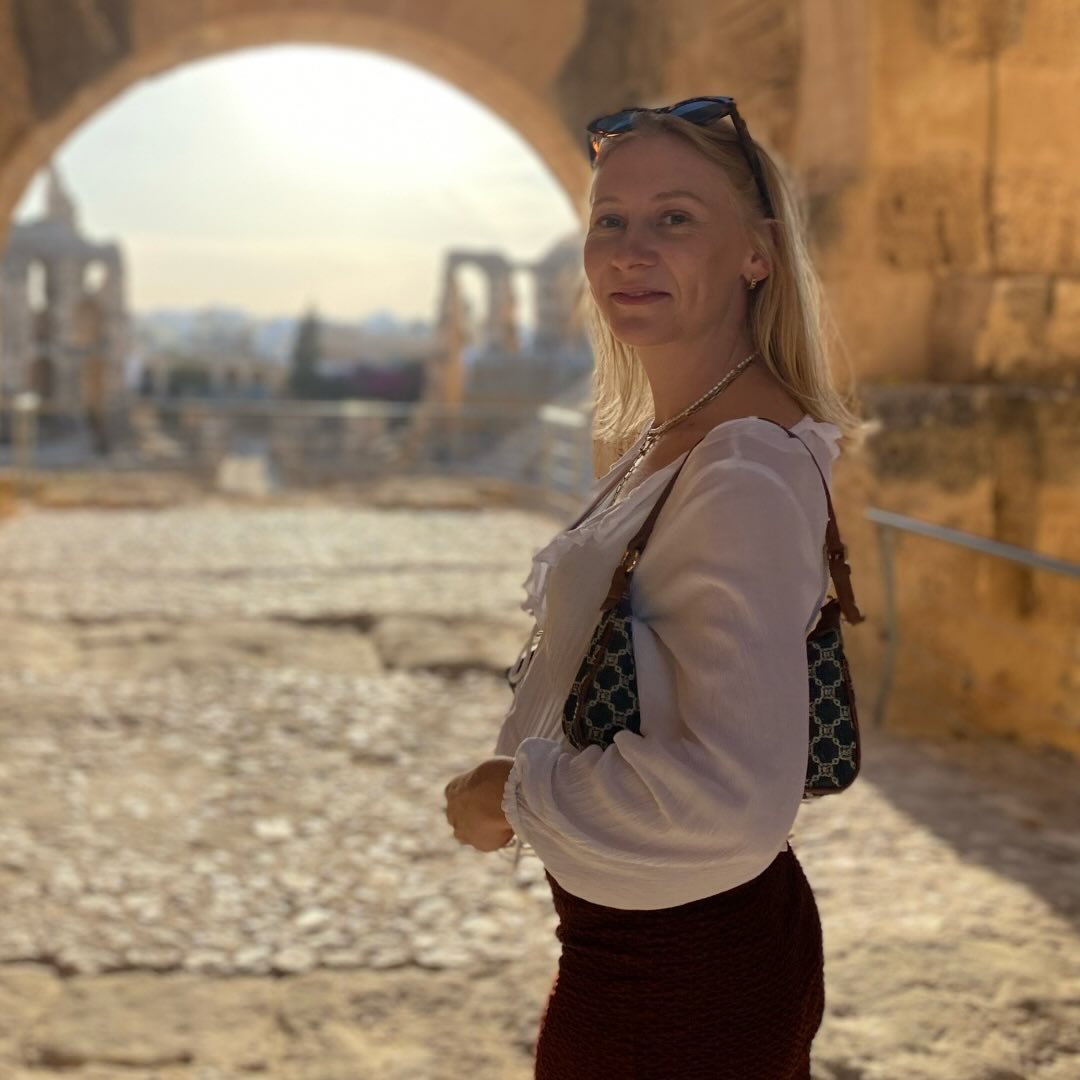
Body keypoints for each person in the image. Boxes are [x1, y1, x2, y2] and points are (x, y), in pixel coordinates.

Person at [443, 96, 861, 1079]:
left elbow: (729, 801)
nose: (630, 251)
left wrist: (515, 793)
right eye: (609, 220)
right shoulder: (679, 438)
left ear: (757, 253)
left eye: (674, 217)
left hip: (679, 982)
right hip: (655, 955)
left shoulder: (740, 468)